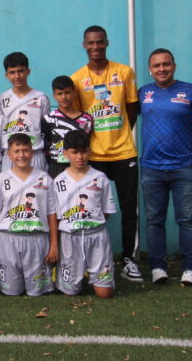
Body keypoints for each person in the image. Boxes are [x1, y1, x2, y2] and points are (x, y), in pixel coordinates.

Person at [70, 26, 142, 282]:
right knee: (90, 209)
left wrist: (121, 133)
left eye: (100, 42)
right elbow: (79, 118)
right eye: (91, 43)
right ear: (84, 45)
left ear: (107, 43)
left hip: (124, 153)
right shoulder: (78, 78)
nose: (96, 47)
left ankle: (130, 261)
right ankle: (93, 260)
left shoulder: (124, 72)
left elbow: (132, 109)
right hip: (95, 156)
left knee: (128, 209)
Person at [139, 48, 192, 286]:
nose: (162, 69)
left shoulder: (191, 91)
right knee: (154, 220)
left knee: (188, 220)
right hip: (151, 168)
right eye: (157, 65)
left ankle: (190, 269)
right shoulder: (143, 93)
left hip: (185, 167)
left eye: (166, 64)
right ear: (150, 69)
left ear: (174, 66)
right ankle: (158, 267)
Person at [0, 133, 58, 296]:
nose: (21, 155)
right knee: (11, 291)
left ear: (32, 152)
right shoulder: (1, 179)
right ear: (9, 154)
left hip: (36, 238)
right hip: (9, 238)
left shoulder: (44, 178)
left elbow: (52, 213)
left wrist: (54, 244)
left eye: (25, 150)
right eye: (17, 151)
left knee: (36, 291)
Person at [53, 130, 115, 298]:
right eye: (74, 152)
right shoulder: (59, 181)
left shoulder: (100, 178)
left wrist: (92, 224)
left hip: (96, 237)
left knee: (105, 293)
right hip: (69, 238)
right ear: (66, 153)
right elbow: (57, 216)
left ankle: (98, 276)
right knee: (70, 292)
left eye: (83, 151)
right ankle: (74, 276)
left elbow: (106, 211)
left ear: (89, 151)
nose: (79, 157)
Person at [0, 52, 50, 171]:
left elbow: (46, 129)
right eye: (12, 72)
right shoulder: (2, 99)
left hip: (34, 154)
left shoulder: (41, 98)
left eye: (20, 71)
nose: (17, 76)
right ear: (6, 75)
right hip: (9, 156)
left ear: (28, 71)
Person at [41, 75, 94, 179]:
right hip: (56, 167)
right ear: (54, 96)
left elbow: (87, 143)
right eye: (60, 94)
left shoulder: (86, 119)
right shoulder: (48, 119)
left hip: (80, 167)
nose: (64, 97)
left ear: (74, 92)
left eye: (67, 92)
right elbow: (45, 146)